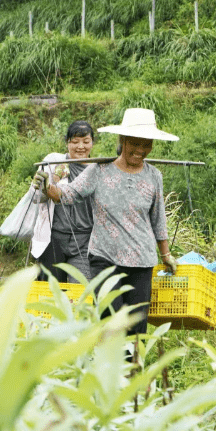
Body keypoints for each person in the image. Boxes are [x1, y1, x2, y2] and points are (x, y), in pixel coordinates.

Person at [33, 108, 178, 335]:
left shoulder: (154, 176)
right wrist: (46, 186)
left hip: (142, 261)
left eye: (146, 144)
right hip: (105, 257)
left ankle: (132, 370)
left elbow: (158, 219)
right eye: (134, 143)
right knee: (110, 323)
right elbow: (68, 195)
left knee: (136, 328)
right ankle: (106, 367)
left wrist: (166, 255)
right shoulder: (99, 170)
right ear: (122, 140)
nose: (140, 150)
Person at [31, 120, 95, 283]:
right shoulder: (54, 163)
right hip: (54, 237)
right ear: (67, 143)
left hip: (85, 240)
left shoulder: (97, 169)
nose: (81, 146)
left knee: (81, 291)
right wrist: (42, 186)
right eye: (75, 142)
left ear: (92, 143)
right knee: (50, 290)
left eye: (86, 142)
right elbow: (36, 198)